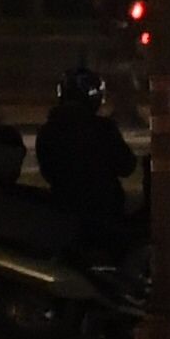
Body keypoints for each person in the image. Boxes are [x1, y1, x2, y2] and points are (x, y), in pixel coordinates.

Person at [38, 62, 135, 240]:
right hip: (104, 209)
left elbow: (48, 171)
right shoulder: (103, 129)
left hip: (63, 206)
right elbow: (127, 166)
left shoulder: (48, 131)